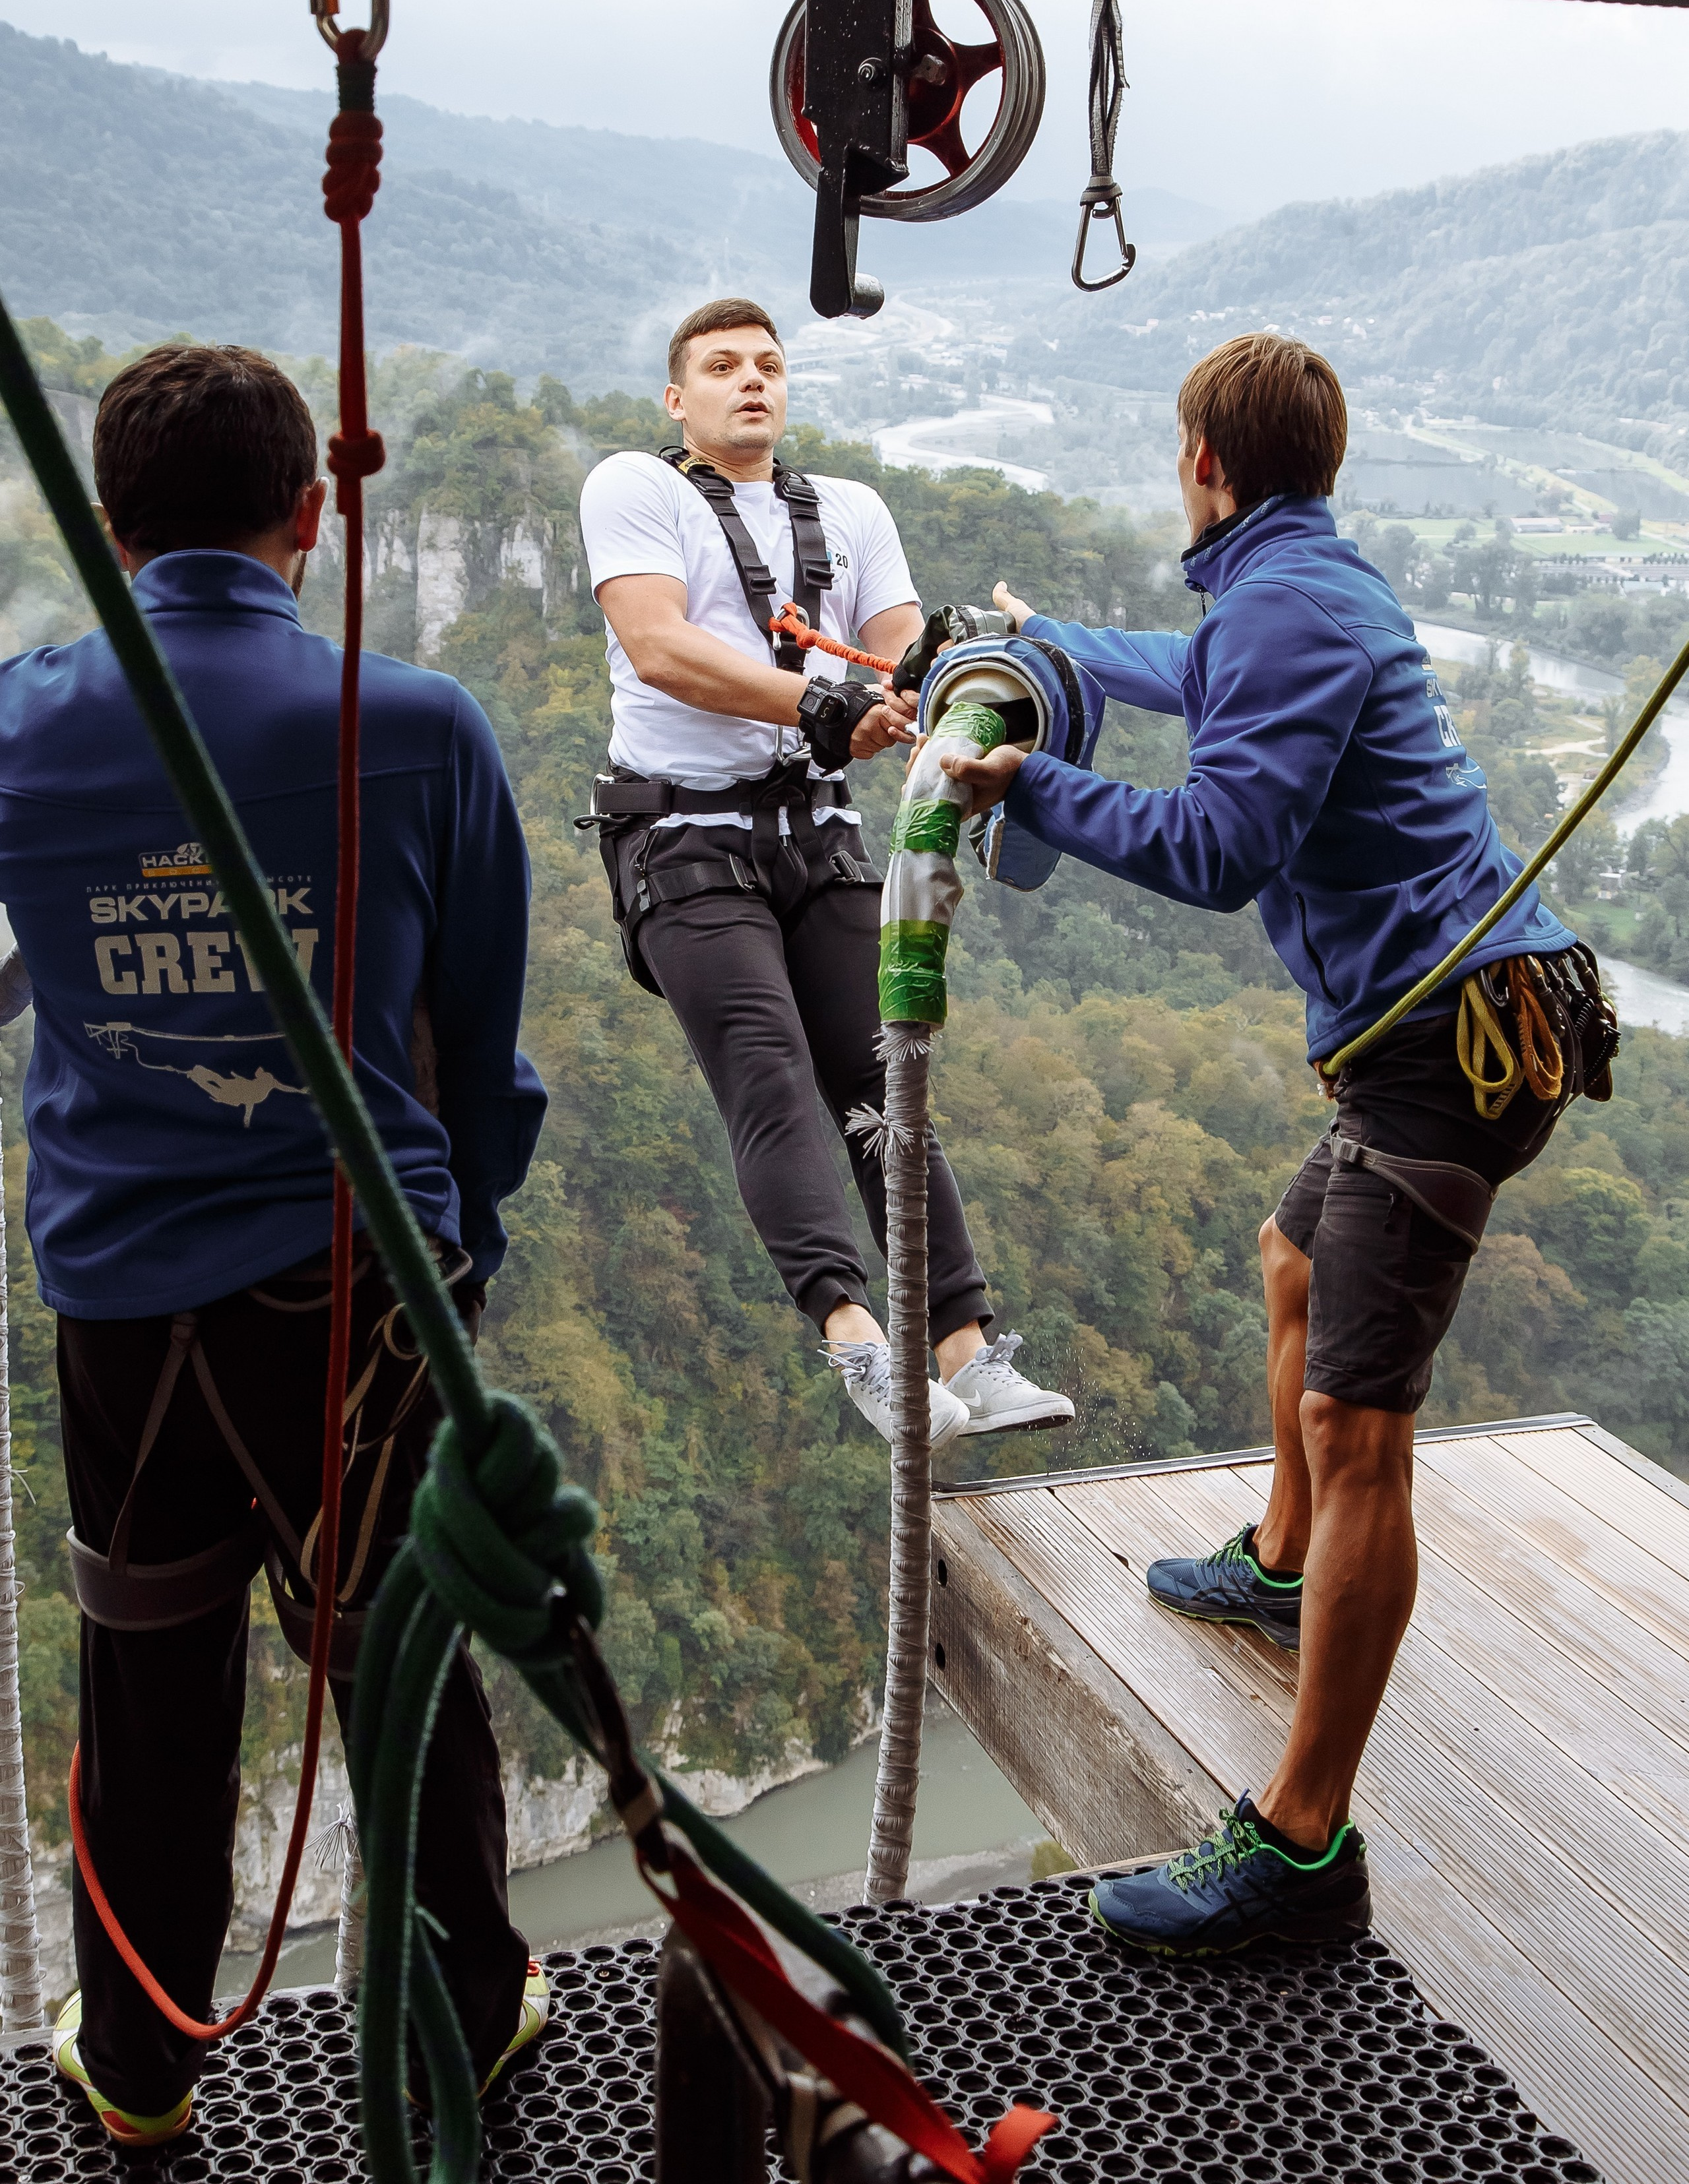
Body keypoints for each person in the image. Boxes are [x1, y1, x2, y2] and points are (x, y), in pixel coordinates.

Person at [943, 332, 1614, 1954]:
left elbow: (1218, 846)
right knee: (1292, 1257)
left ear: (1203, 462)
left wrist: (1026, 780)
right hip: (1449, 1025)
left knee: (1361, 1420)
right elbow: (1198, 672)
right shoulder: (1299, 582)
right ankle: (1278, 1555)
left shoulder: (1285, 603)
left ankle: (1302, 1846)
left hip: (1443, 1057)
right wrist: (1060, 649)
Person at [0, 345, 549, 2142]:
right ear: (311, 518)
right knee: (396, 1659)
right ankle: (468, 2017)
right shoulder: (416, 730)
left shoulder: (19, 730)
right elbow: (480, 1050)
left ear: (106, 526)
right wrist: (457, 1249)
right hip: (360, 1299)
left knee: (151, 1677)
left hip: (124, 1309)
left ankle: (145, 2067)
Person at [578, 296, 1071, 1446]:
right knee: (770, 1073)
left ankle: (965, 1349)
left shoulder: (848, 509)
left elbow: (895, 652)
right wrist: (818, 698)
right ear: (677, 397)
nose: (751, 382)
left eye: (768, 365)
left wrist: (962, 669)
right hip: (684, 837)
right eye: (721, 367)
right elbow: (659, 644)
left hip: (819, 831)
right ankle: (860, 1341)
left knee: (881, 1080)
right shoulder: (635, 489)